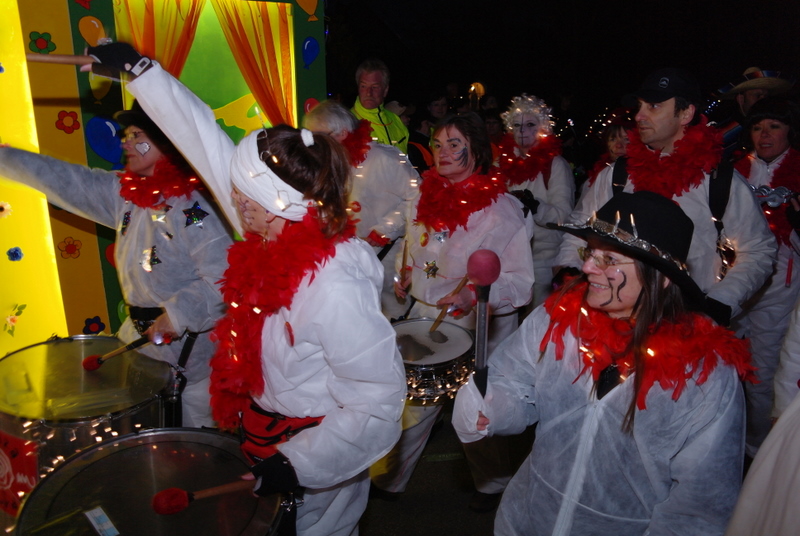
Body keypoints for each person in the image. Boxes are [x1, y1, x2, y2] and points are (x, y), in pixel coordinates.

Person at [454, 191, 754, 535]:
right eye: (590, 253)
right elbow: (513, 379)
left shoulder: (704, 372)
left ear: (661, 277)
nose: (586, 267)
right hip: (530, 517)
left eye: (609, 259)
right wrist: (491, 407)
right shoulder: (558, 319)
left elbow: (699, 505)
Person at [212, 125, 406, 535]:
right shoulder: (267, 243)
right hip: (262, 436)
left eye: (242, 189)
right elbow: (202, 143)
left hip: (317, 460)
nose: (234, 197)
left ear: (274, 201)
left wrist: (298, 463)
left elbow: (377, 399)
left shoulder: (335, 284)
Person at [0, 102, 233, 428]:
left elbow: (225, 280)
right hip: (140, 350)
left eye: (136, 135)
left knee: (191, 442)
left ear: (167, 142)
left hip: (191, 364)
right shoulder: (127, 193)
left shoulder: (196, 209)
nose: (125, 143)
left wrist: (177, 315)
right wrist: (6, 159)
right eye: (126, 135)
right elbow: (68, 180)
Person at [370, 112, 534, 501]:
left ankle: (492, 486)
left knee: (477, 411)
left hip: (483, 328)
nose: (442, 152)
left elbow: (521, 284)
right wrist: (405, 272)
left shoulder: (502, 210)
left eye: (454, 144)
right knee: (414, 405)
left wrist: (474, 294)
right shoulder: (423, 196)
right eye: (438, 144)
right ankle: (388, 481)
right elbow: (413, 245)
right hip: (428, 319)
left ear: (476, 149)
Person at [554, 68, 776, 331]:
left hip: (686, 324)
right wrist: (571, 275)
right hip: (614, 322)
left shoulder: (719, 180)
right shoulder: (617, 175)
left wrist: (719, 302)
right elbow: (580, 229)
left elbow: (758, 250)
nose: (639, 116)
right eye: (639, 106)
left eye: (654, 106)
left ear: (686, 114)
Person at [302, 99, 419, 320]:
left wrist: (384, 230)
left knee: (392, 317)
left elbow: (418, 197)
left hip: (387, 257)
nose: (313, 145)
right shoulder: (329, 163)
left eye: (319, 137)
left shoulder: (384, 158)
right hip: (348, 258)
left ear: (342, 134)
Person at [733, 98, 800, 430]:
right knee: (727, 361)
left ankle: (760, 447)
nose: (764, 135)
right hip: (736, 277)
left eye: (774, 126)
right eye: (757, 128)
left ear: (789, 130)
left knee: (762, 370)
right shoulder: (734, 171)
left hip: (779, 286)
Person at [495, 94, 575, 307]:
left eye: (530, 124)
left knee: (537, 317)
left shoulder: (555, 165)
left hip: (541, 260)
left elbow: (564, 217)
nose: (522, 130)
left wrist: (535, 207)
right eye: (517, 125)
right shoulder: (500, 163)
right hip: (505, 258)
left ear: (543, 128)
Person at [712, 67, 795, 158]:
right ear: (741, 99)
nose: (763, 101)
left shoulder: (783, 126)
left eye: (766, 96)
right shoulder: (723, 134)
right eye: (757, 96)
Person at [351, 59, 409, 153]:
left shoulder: (396, 121)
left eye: (375, 87)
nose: (369, 93)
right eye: (363, 86)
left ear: (385, 90)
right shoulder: (347, 123)